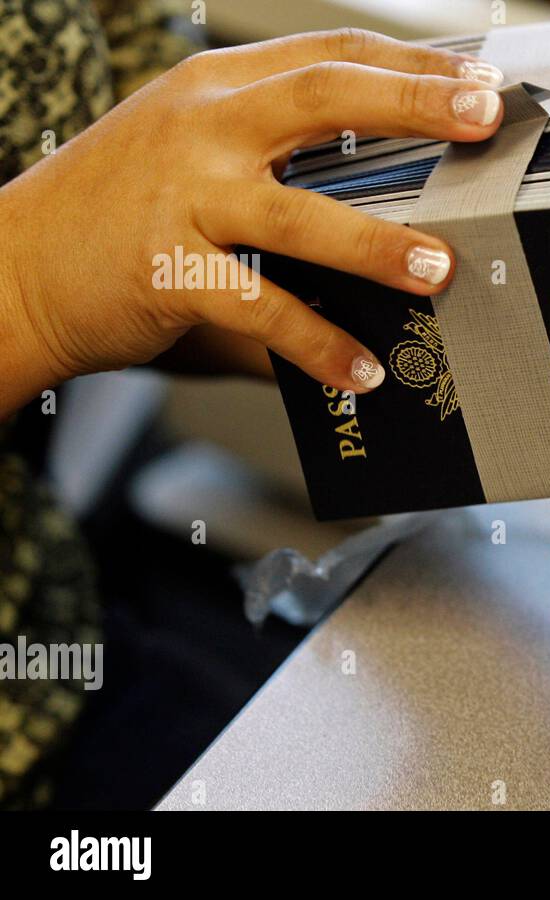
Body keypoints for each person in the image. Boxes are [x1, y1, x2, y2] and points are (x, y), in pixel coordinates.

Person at [0, 0, 503, 806]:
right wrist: (24, 290)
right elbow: (57, 255)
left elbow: (141, 248)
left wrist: (378, 326)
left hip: (54, 637)